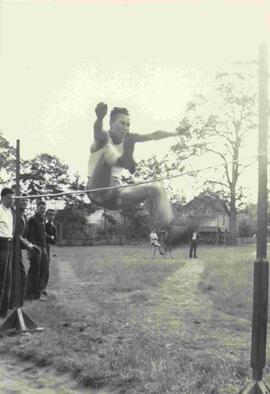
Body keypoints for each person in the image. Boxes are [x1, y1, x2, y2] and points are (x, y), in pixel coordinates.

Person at [86, 103, 188, 226]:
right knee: (107, 149)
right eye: (121, 123)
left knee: (156, 188)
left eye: (128, 125)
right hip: (98, 190)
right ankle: (120, 161)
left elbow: (153, 135)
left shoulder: (129, 138)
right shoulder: (102, 137)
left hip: (116, 195)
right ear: (111, 124)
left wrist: (176, 133)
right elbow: (97, 130)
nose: (125, 128)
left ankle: (171, 230)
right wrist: (100, 118)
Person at [9, 196, 39, 309]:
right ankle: (13, 304)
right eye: (23, 200)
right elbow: (15, 233)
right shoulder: (12, 214)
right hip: (8, 249)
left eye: (27, 200)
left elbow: (22, 236)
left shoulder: (24, 216)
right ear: (16, 201)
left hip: (17, 250)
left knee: (20, 276)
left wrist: (30, 245)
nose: (25, 202)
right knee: (15, 276)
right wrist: (28, 245)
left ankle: (17, 304)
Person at [25, 200, 48, 301]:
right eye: (40, 208)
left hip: (43, 248)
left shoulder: (43, 219)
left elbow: (43, 235)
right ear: (36, 208)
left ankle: (38, 293)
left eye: (44, 208)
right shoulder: (32, 219)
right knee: (34, 270)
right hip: (35, 248)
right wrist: (33, 247)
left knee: (42, 270)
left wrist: (44, 248)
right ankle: (30, 294)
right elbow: (29, 236)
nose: (42, 210)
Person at [0, 187, 14, 319]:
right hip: (1, 244)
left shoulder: (10, 212)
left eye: (13, 198)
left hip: (9, 244)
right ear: (2, 198)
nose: (12, 201)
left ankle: (4, 312)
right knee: (1, 279)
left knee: (8, 278)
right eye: (9, 198)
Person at [42, 209, 57, 300]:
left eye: (53, 215)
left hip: (47, 248)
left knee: (46, 269)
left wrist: (47, 236)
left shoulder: (53, 227)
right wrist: (49, 236)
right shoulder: (43, 224)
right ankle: (38, 289)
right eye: (50, 214)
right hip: (40, 246)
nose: (51, 216)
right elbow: (40, 235)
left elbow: (54, 241)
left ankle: (43, 288)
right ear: (46, 215)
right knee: (41, 268)